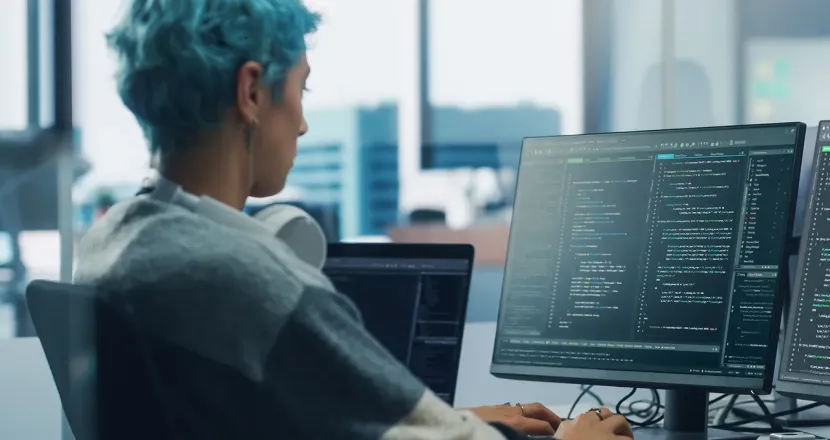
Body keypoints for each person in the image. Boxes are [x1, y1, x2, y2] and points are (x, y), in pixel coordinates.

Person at [74, 1, 635, 439]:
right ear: (250, 92)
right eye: (301, 88)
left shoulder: (114, 244)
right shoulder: (250, 280)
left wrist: (451, 421)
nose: (301, 125)